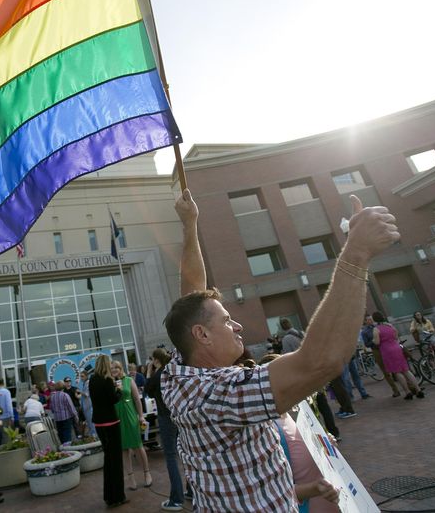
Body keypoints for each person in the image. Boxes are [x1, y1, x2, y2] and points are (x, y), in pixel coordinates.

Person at [162, 188, 399, 512]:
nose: (238, 327)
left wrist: (190, 225)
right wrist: (356, 254)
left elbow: (191, 298)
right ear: (202, 335)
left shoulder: (180, 372)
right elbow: (318, 362)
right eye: (228, 321)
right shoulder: (216, 394)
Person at [261, 354, 340, 513]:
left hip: (330, 504)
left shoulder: (289, 415)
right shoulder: (267, 429)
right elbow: (273, 491)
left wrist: (324, 444)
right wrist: (315, 489)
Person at [145, 348, 184, 511]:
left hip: (165, 416)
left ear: (155, 360)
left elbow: (148, 391)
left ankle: (176, 498)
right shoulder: (173, 371)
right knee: (184, 453)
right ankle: (191, 491)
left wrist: (148, 371)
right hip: (179, 415)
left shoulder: (157, 375)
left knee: (170, 456)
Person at [89, 354, 127, 508]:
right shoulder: (108, 380)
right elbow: (114, 399)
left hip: (98, 423)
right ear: (106, 365)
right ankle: (118, 496)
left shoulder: (92, 380)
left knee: (108, 459)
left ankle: (109, 496)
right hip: (111, 422)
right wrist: (118, 390)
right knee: (116, 459)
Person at [111, 360, 151, 491]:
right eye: (112, 368)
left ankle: (147, 473)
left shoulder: (128, 380)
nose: (114, 370)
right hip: (117, 417)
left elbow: (136, 399)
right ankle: (131, 478)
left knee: (138, 446)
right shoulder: (109, 383)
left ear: (121, 368)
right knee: (124, 449)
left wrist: (141, 416)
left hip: (130, 414)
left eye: (116, 367)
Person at [372, 311, 424, 400]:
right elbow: (396, 337)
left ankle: (408, 392)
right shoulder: (390, 326)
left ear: (375, 319)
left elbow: (377, 342)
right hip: (397, 348)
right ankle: (418, 390)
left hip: (387, 351)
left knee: (397, 372)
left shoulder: (376, 329)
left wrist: (373, 340)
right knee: (406, 370)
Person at [361, 313, 401, 397]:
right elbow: (367, 344)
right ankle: (395, 390)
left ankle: (408, 386)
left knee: (397, 367)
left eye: (371, 319)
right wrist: (374, 340)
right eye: (368, 319)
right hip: (377, 350)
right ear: (365, 321)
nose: (371, 321)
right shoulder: (364, 332)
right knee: (385, 371)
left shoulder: (379, 326)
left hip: (386, 348)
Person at [48, 381, 78, 445]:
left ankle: (63, 449)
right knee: (67, 432)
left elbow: (52, 408)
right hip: (66, 417)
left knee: (60, 433)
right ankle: (68, 448)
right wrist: (75, 415)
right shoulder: (65, 395)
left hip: (57, 418)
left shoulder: (53, 396)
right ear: (63, 387)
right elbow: (70, 406)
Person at [78, 370, 97, 439]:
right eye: (81, 376)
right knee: (89, 423)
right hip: (86, 408)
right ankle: (93, 437)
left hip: (89, 407)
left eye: (82, 376)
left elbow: (86, 394)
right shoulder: (85, 383)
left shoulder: (88, 383)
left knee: (92, 424)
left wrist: (80, 391)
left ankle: (95, 437)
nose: (81, 378)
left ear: (86, 376)